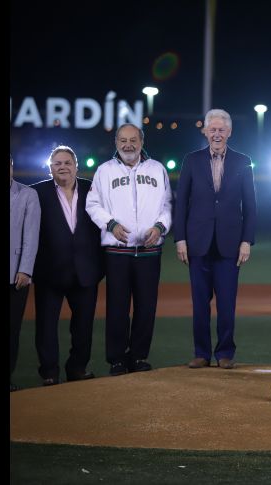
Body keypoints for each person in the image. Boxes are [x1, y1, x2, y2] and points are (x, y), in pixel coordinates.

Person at [86, 124, 172, 376]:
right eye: (123, 140)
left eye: (133, 140)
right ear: (116, 142)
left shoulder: (157, 169)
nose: (128, 145)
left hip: (149, 250)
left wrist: (160, 226)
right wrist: (110, 224)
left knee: (146, 307)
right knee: (117, 307)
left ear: (142, 141)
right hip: (117, 252)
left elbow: (168, 204)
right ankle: (117, 359)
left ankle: (138, 356)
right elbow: (92, 204)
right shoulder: (104, 171)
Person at [174, 108, 257, 370]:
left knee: (226, 303)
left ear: (229, 132)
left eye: (222, 130)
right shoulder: (191, 160)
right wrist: (180, 239)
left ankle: (225, 353)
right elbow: (180, 204)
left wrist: (247, 240)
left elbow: (251, 206)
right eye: (213, 129)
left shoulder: (243, 161)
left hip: (230, 244)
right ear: (205, 131)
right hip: (197, 242)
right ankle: (201, 353)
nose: (217, 134)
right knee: (200, 303)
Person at [31, 146, 104, 386]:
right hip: (49, 272)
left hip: (85, 271)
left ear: (76, 165)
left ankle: (77, 368)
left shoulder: (93, 189)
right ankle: (49, 372)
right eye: (57, 163)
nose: (62, 167)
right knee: (46, 327)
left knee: (83, 327)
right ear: (50, 168)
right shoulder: (37, 193)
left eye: (67, 162)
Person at [10, 155, 41, 392]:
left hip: (15, 275)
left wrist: (25, 269)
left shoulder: (27, 194)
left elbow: (31, 236)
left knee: (12, 330)